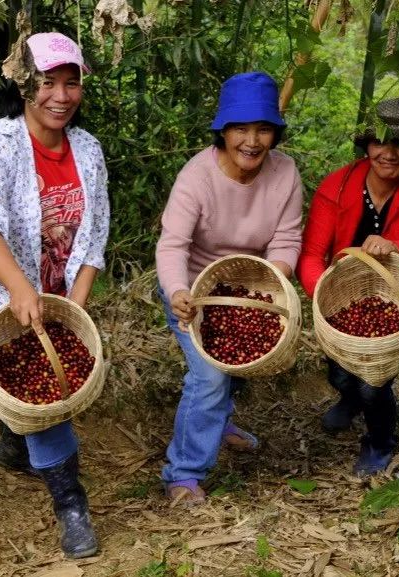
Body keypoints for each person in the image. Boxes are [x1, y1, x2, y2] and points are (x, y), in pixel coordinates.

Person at [0, 32, 109, 558]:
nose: (61, 96)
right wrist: (21, 289)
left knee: (32, 381)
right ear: (24, 85)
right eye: (48, 83)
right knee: (43, 397)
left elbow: (94, 240)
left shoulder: (87, 150)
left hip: (59, 295)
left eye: (72, 83)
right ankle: (71, 504)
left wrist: (75, 309)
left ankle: (13, 441)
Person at [155, 72, 303, 505]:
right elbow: (172, 245)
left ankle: (215, 423)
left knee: (245, 354)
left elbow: (287, 238)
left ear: (275, 133)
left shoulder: (285, 173)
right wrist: (179, 292)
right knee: (210, 375)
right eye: (240, 128)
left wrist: (274, 277)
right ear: (223, 131)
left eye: (262, 129)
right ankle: (182, 473)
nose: (252, 140)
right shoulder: (197, 177)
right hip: (194, 288)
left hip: (250, 285)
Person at [296, 97, 399, 476]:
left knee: (373, 384)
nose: (388, 153)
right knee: (339, 373)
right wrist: (325, 298)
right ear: (367, 145)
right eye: (379, 142)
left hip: (396, 307)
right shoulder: (337, 186)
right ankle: (348, 400)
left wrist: (396, 247)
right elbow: (312, 254)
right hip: (342, 301)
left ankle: (379, 442)